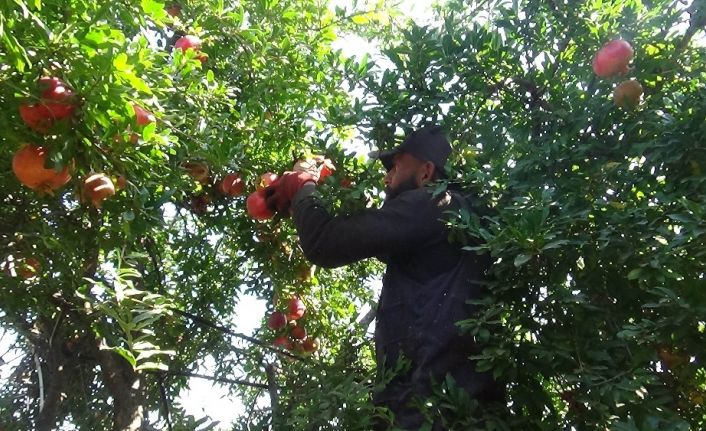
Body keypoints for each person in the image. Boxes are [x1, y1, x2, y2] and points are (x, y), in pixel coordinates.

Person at [265, 125, 504, 429]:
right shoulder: (461, 222)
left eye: (395, 166)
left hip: (423, 411)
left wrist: (301, 187)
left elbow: (325, 243)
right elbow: (373, 235)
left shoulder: (435, 204)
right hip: (465, 409)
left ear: (426, 172)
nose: (386, 178)